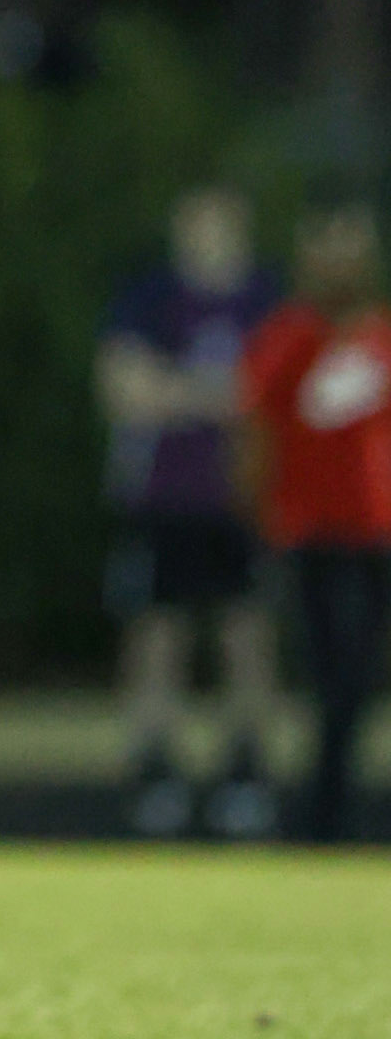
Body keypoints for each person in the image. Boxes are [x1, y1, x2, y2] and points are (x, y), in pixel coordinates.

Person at [97, 189, 279, 837]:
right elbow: (125, 390)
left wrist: (180, 391)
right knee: (157, 637)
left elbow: (279, 397)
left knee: (246, 636)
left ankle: (246, 771)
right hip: (162, 498)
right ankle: (155, 772)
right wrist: (221, 394)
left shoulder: (267, 300)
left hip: (246, 501)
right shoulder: (150, 298)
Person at [243, 205, 391, 842]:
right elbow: (253, 433)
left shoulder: (381, 337)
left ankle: (331, 804)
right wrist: (260, 514)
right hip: (311, 534)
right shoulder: (287, 337)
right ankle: (326, 811)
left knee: (360, 673)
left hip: (377, 532)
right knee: (332, 673)